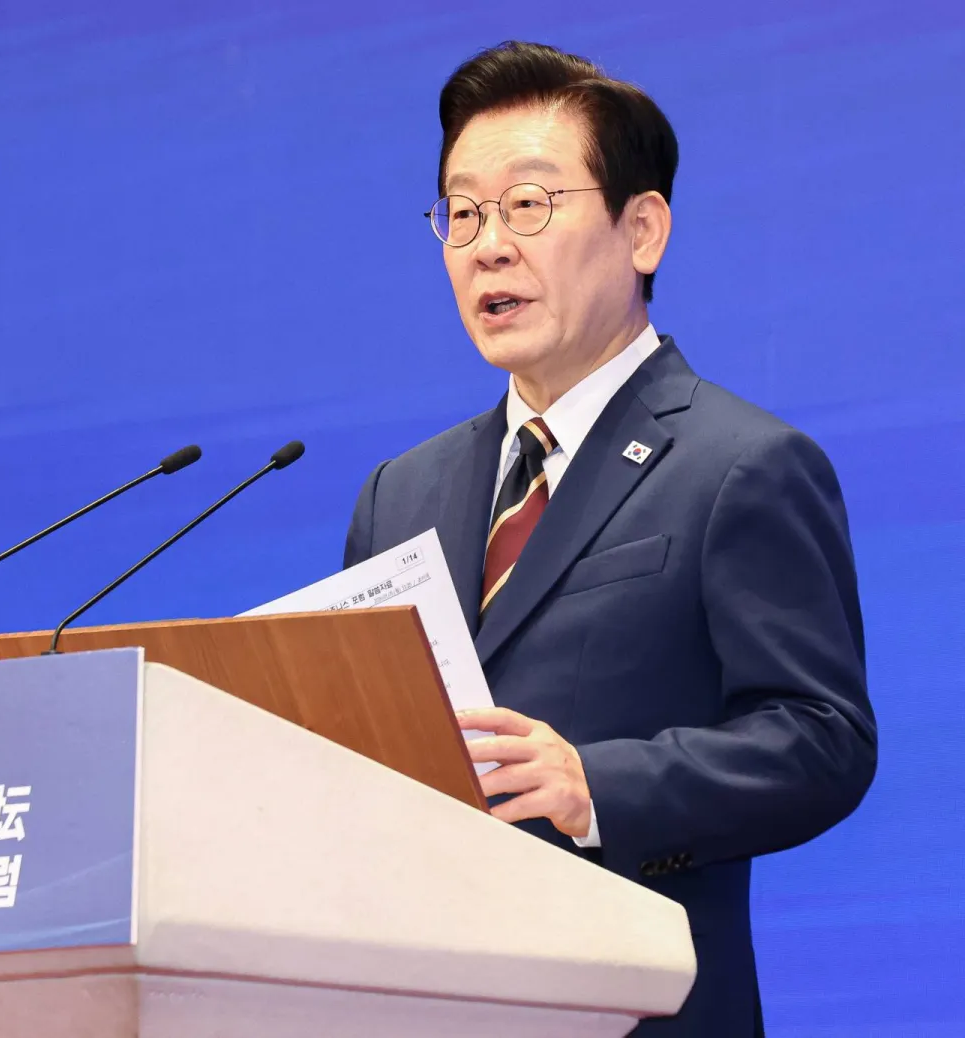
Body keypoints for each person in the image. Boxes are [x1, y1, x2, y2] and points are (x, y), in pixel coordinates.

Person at [342, 41, 876, 1036]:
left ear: (643, 230)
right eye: (462, 213)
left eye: (528, 204)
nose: (488, 246)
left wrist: (598, 786)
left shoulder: (738, 464)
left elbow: (821, 740)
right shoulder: (400, 493)